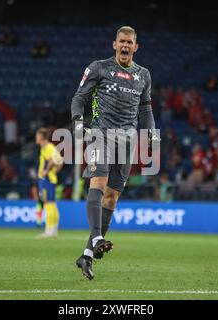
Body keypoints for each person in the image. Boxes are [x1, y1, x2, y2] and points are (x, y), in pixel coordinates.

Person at [71, 26, 158, 280]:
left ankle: (86, 255)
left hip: (127, 142)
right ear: (114, 44)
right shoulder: (99, 68)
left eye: (129, 42)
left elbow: (146, 110)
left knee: (111, 198)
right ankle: (98, 237)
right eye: (121, 41)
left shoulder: (144, 75)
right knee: (98, 182)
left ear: (135, 47)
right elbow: (79, 98)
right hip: (100, 134)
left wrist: (152, 134)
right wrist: (78, 123)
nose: (125, 46)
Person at [35, 128, 63, 238]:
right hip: (51, 179)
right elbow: (60, 160)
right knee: (52, 205)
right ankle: (53, 230)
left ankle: (49, 231)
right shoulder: (50, 147)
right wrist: (55, 170)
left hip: (46, 179)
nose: (36, 138)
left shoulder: (48, 148)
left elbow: (52, 160)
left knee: (47, 204)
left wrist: (46, 170)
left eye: (37, 136)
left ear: (41, 137)